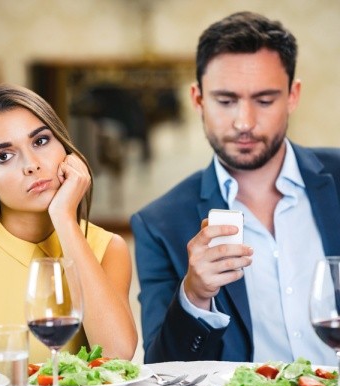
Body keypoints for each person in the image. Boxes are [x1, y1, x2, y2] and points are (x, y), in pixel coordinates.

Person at [131, 11, 340, 366]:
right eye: (226, 101)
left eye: (264, 100)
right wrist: (194, 295)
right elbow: (163, 370)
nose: (244, 122)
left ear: (293, 95)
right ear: (198, 99)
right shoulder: (159, 223)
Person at [0, 84, 137, 386]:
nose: (31, 164)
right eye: (4, 156)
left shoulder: (107, 248)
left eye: (41, 141)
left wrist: (64, 219)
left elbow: (116, 354)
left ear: (65, 150)